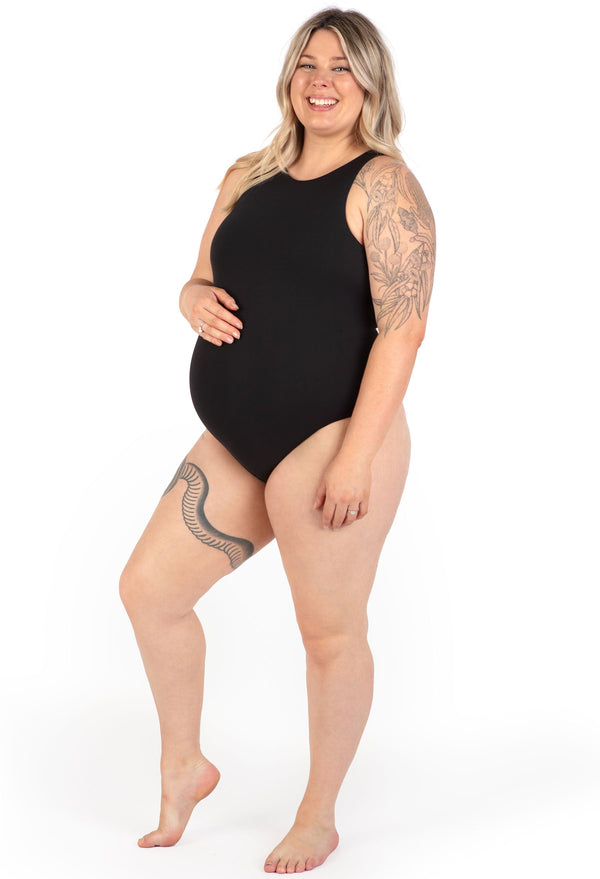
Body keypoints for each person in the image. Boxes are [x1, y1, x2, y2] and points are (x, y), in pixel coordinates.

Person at [119, 6, 436, 873]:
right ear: (289, 77)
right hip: (237, 437)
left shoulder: (384, 187)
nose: (322, 81)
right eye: (309, 63)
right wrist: (190, 298)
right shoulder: (247, 174)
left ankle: (319, 814)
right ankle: (184, 764)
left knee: (328, 635)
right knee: (149, 591)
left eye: (342, 66)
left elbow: (403, 330)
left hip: (334, 436)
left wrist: (358, 455)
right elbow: (200, 278)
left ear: (371, 84)